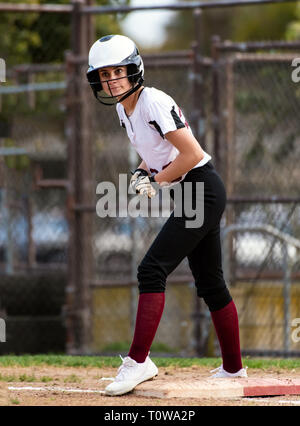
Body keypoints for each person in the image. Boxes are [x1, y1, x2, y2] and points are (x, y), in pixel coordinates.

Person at [87, 34, 247, 396]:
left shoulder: (152, 101)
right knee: (210, 283)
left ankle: (138, 362)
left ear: (134, 71)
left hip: (202, 188)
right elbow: (157, 150)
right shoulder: (122, 109)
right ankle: (234, 369)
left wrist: (156, 181)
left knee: (151, 269)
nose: (111, 79)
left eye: (118, 71)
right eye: (104, 74)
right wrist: (144, 171)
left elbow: (191, 154)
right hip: (191, 191)